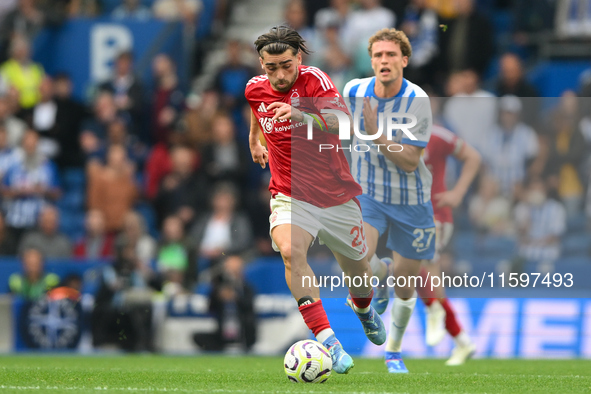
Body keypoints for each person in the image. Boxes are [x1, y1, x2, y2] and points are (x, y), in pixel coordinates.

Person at [245, 25, 386, 374]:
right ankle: (328, 342)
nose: (278, 75)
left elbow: (344, 124)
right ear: (262, 64)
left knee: (359, 270)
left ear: (299, 58)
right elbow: (257, 110)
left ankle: (363, 308)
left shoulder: (315, 82)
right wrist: (254, 139)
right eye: (270, 67)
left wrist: (299, 115)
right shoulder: (254, 88)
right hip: (290, 193)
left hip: (335, 194)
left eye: (286, 65)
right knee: (292, 252)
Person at [343, 28, 433, 373]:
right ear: (371, 61)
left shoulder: (417, 100)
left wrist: (375, 133)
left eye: (391, 55)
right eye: (378, 55)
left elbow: (410, 159)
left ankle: (393, 352)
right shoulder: (354, 90)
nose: (384, 61)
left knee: (407, 286)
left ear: (404, 61)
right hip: (368, 194)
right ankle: (378, 276)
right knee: (359, 257)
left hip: (411, 199)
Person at [418, 123, 480, 366]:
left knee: (422, 266)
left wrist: (458, 193)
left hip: (435, 214)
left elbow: (473, 156)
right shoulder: (389, 133)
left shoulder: (437, 135)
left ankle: (434, 310)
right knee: (416, 274)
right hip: (405, 215)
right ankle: (461, 340)